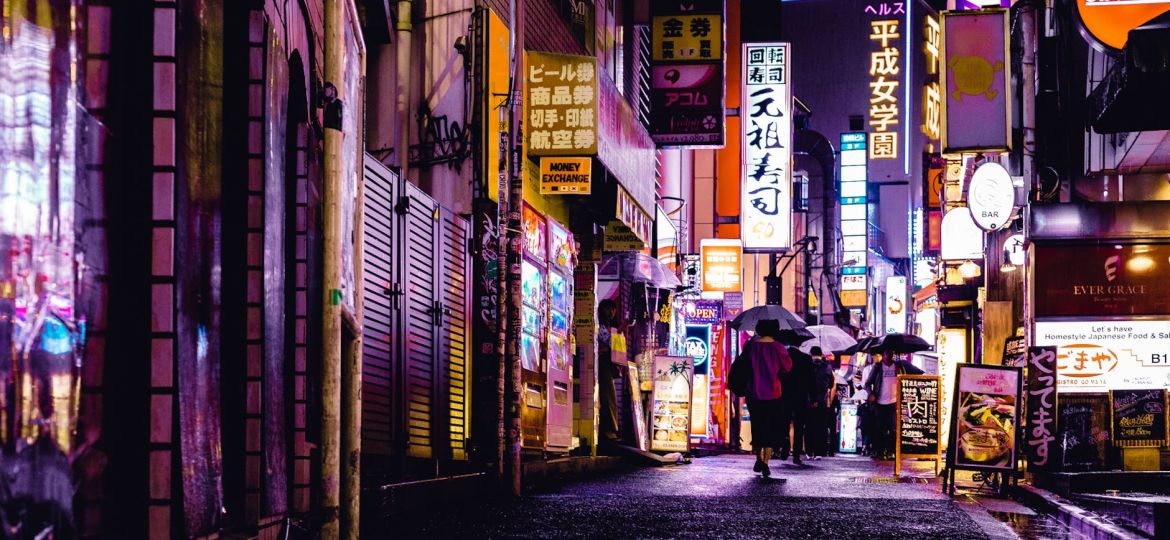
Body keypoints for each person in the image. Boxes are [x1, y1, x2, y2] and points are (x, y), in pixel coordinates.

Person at [741, 319, 793, 478]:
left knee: (757, 425)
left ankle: (758, 458)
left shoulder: (751, 346)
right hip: (773, 393)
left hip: (753, 392)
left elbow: (743, 366)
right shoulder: (778, 347)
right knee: (770, 427)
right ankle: (766, 461)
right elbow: (788, 367)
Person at [864, 350, 924, 460]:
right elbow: (867, 384)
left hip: (894, 402)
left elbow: (917, 373)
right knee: (880, 429)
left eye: (891, 353)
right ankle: (880, 452)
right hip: (880, 402)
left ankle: (892, 452)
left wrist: (901, 373)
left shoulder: (899, 366)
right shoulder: (877, 367)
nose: (889, 356)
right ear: (883, 354)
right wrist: (871, 394)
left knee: (893, 429)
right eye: (887, 353)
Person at [597, 299, 627, 447]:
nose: (612, 312)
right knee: (608, 397)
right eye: (609, 309)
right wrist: (620, 330)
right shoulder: (600, 326)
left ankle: (612, 430)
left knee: (611, 397)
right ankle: (608, 431)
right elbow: (609, 341)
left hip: (607, 365)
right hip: (602, 365)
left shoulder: (608, 326)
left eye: (614, 309)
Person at [779, 343, 814, 465]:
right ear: (801, 343)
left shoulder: (783, 356)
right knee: (799, 426)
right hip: (801, 396)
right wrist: (813, 398)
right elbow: (811, 380)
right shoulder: (806, 358)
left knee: (784, 422)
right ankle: (796, 455)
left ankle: (785, 443)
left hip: (784, 395)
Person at [805, 347, 836, 459]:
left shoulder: (807, 366)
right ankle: (820, 452)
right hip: (822, 400)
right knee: (821, 426)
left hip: (808, 400)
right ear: (821, 355)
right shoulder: (828, 367)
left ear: (811, 354)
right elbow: (831, 385)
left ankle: (809, 452)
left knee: (809, 426)